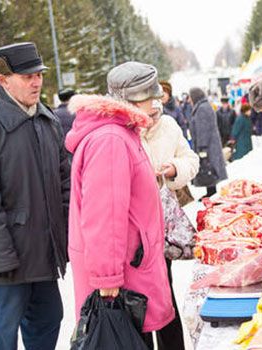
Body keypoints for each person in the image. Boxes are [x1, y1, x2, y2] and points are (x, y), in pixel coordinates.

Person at [0, 42, 70, 350]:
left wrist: (66, 236)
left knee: (49, 317)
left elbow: (65, 183)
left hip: (43, 253)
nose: (36, 81)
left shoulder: (47, 120)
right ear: (3, 80)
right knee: (5, 334)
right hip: (9, 258)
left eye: (39, 75)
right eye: (26, 76)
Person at [65, 61, 177, 348]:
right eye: (147, 97)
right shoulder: (111, 139)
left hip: (131, 265)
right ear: (127, 100)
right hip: (120, 278)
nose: (155, 104)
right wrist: (107, 278)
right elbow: (103, 216)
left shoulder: (120, 132)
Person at [141, 95, 200, 350]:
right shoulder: (122, 131)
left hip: (162, 223)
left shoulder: (169, 126)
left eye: (155, 115)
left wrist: (174, 169)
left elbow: (190, 159)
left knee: (164, 289)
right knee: (139, 299)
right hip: (135, 225)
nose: (151, 121)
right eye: (147, 116)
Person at [189, 87, 228, 199]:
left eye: (191, 97)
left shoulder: (202, 108)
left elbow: (203, 129)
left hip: (207, 145)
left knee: (208, 167)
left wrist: (202, 148)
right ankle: (211, 191)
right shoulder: (203, 106)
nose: (189, 100)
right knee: (209, 167)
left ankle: (212, 192)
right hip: (209, 144)